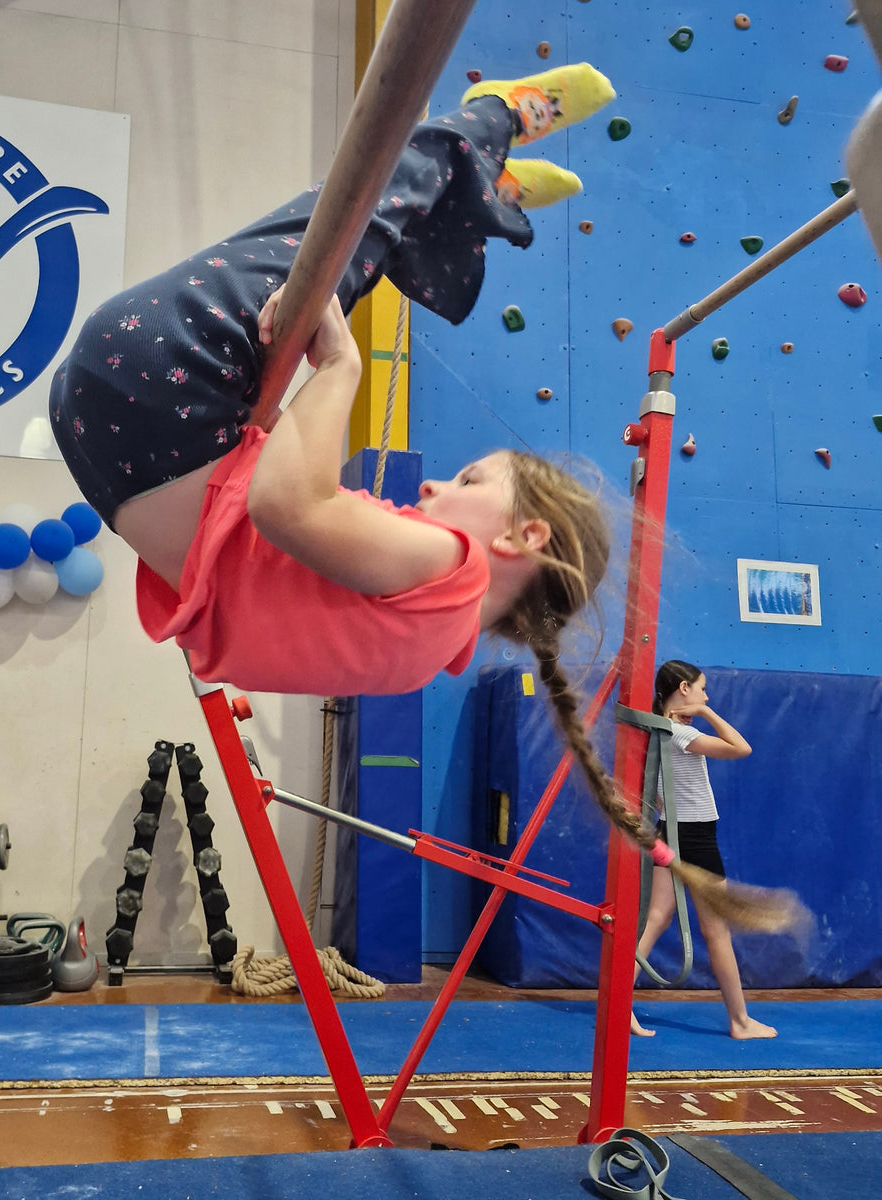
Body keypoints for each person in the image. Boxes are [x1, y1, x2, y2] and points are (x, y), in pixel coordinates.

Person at [49, 67, 800, 933]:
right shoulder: (423, 650)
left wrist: (341, 370)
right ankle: (481, 191)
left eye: (471, 482)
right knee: (339, 254)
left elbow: (287, 505)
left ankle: (485, 127)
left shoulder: (449, 570)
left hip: (160, 401)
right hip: (122, 453)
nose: (439, 484)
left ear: (524, 536)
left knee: (337, 230)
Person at [630, 661, 779, 1039]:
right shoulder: (679, 733)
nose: (706, 696)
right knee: (717, 933)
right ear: (683, 689)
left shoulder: (659, 728)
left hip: (672, 833)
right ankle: (740, 1021)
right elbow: (741, 748)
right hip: (694, 838)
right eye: (701, 689)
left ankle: (617, 1007)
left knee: (657, 919)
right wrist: (706, 713)